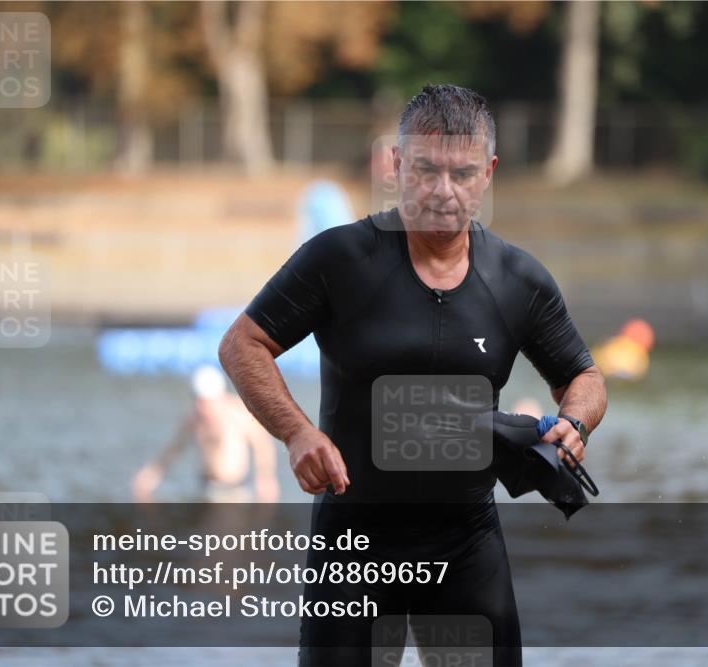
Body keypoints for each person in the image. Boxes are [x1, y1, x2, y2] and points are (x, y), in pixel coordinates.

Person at [219, 84, 607, 666]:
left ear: (489, 173)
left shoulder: (516, 280)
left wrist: (573, 423)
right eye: (425, 169)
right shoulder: (341, 260)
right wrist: (296, 432)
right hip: (354, 542)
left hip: (466, 542)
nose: (442, 191)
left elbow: (586, 377)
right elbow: (242, 344)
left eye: (462, 173)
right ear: (397, 164)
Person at [131, 365, 280, 503]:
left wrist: (266, 478)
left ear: (219, 397)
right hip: (206, 488)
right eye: (199, 402)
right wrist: (152, 474)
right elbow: (174, 449)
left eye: (207, 403)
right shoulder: (195, 418)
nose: (203, 409)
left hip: (235, 491)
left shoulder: (239, 414)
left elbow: (263, 445)